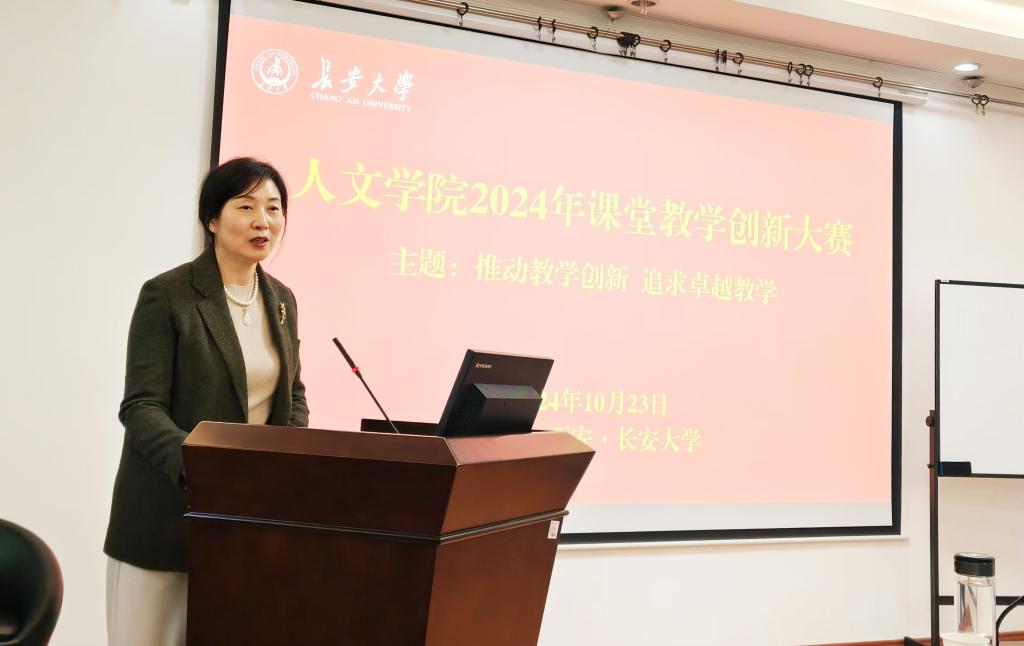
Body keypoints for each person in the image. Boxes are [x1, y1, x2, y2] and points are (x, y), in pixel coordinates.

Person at [103, 158, 308, 646]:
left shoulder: (282, 300)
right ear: (212, 219)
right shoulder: (168, 294)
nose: (263, 221)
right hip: (165, 516)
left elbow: (293, 395)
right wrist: (202, 468)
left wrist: (285, 459)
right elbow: (141, 405)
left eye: (274, 208)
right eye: (246, 207)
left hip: (244, 520)